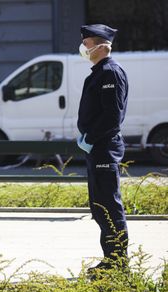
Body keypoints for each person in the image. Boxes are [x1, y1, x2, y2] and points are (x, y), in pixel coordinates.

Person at [77, 24, 129, 273]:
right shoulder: (99, 72)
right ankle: (110, 259)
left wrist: (91, 136)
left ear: (101, 45)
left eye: (86, 43)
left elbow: (112, 117)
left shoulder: (110, 73)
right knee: (99, 206)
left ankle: (118, 263)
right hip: (97, 147)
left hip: (104, 147)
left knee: (109, 205)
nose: (83, 47)